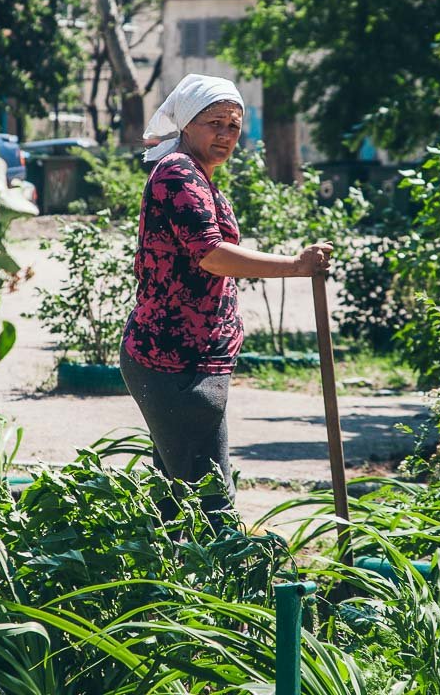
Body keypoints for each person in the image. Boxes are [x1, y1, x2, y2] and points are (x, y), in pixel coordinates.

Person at [119, 73, 332, 529]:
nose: (225, 135)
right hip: (175, 364)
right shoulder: (178, 173)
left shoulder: (198, 176)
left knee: (176, 499)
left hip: (191, 362)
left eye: (233, 126)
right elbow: (211, 255)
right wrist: (296, 265)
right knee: (212, 501)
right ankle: (231, 588)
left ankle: (162, 590)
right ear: (187, 125)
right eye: (214, 122)